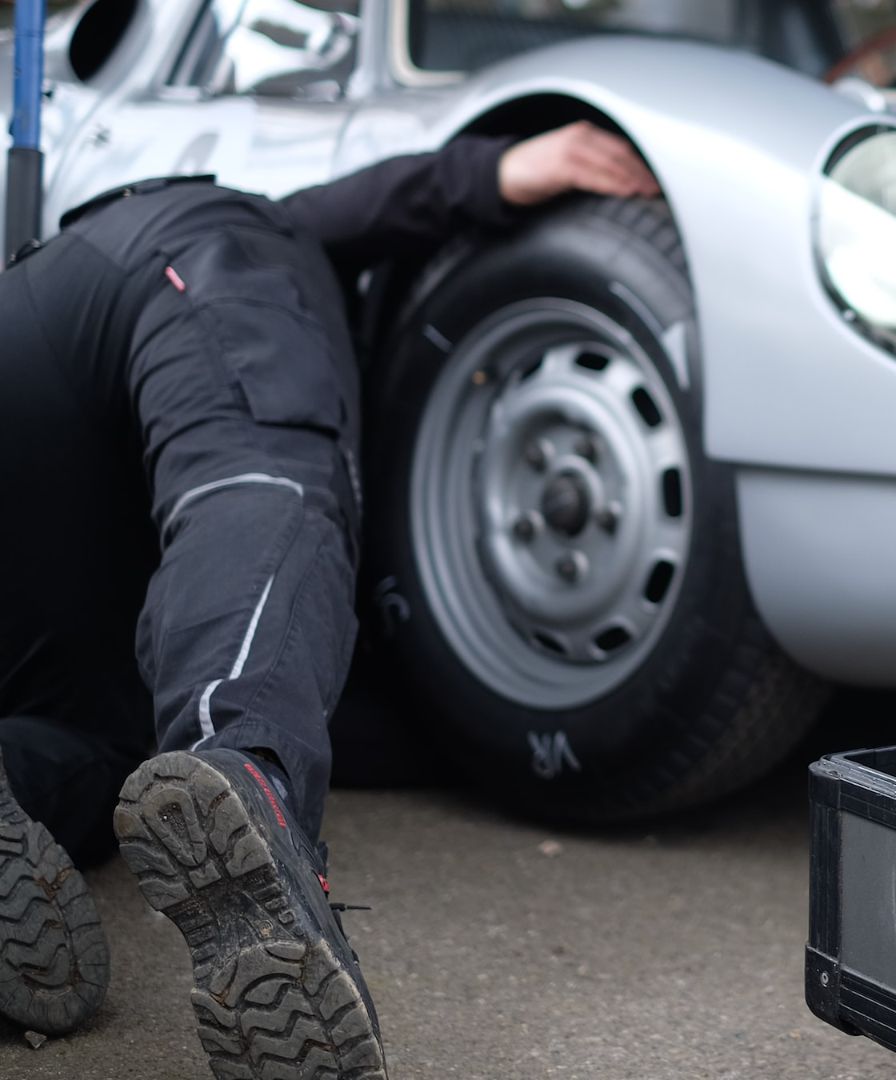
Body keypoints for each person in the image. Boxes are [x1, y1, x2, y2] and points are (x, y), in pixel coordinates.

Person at [0, 121, 657, 1076]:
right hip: (171, 268)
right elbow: (342, 210)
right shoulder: (256, 245)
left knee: (95, 753)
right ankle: (245, 763)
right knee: (258, 482)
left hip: (34, 375)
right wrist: (490, 169)